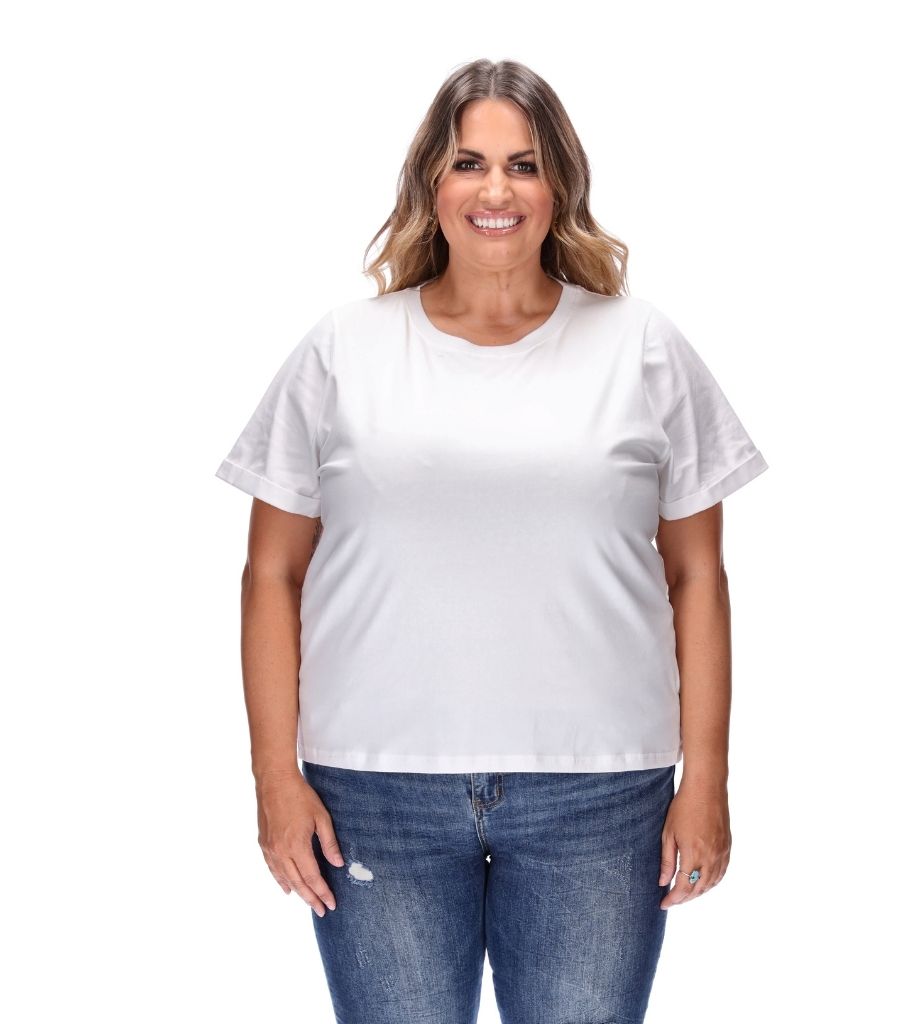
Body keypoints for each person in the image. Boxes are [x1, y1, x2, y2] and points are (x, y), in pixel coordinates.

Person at [214, 58, 768, 1024]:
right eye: (469, 163)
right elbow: (271, 573)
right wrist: (274, 782)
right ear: (432, 182)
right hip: (372, 791)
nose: (496, 191)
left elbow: (697, 577)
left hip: (601, 793)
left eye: (524, 164)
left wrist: (708, 782)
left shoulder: (642, 345)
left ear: (561, 186)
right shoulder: (343, 349)